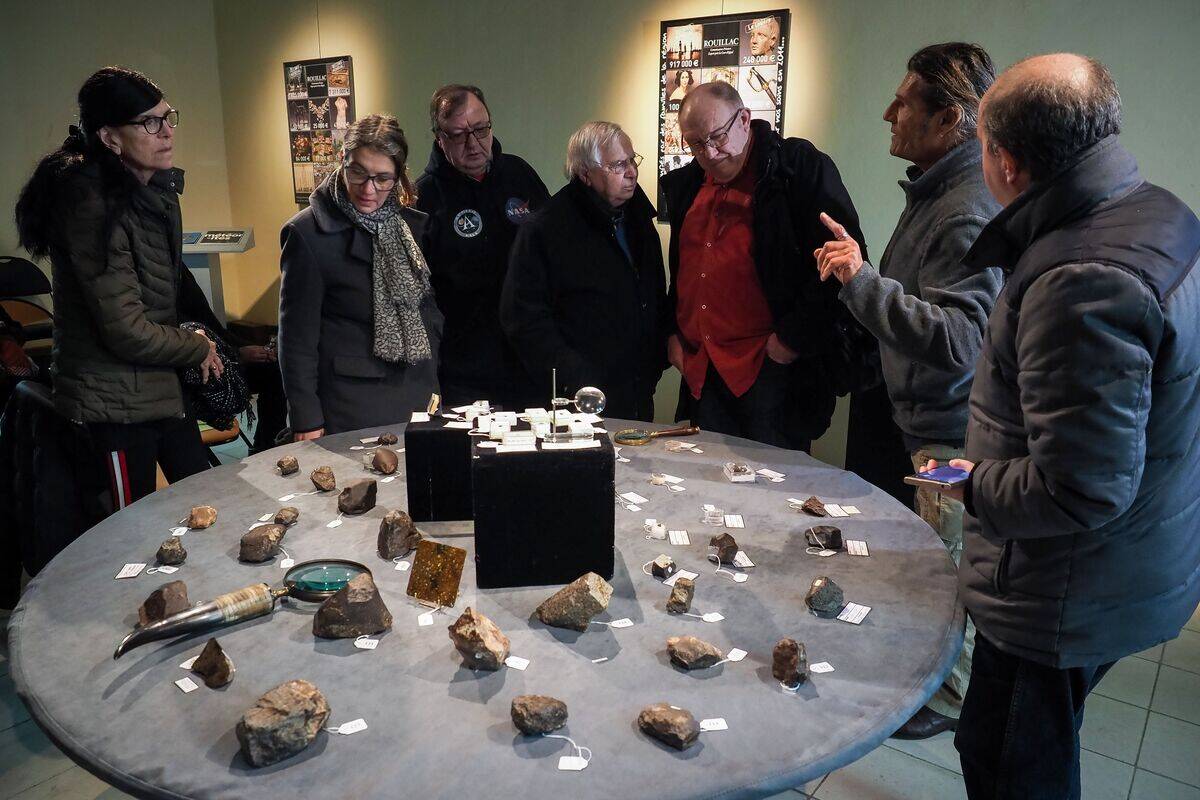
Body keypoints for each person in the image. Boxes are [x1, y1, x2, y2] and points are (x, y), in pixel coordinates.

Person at [926, 54, 1200, 799]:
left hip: (1060, 592)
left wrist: (961, 478)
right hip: (1130, 561)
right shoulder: (1159, 213)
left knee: (1011, 763)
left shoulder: (1080, 281)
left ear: (1006, 161)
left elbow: (1078, 487)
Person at [814, 42, 1002, 739]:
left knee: (947, 559)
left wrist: (859, 280)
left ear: (950, 117)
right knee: (937, 553)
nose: (888, 113)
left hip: (952, 432)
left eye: (904, 102)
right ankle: (943, 684)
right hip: (931, 422)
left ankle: (948, 698)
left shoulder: (962, 209)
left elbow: (960, 340)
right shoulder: (940, 189)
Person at [14, 67, 222, 509]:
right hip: (113, 402)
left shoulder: (153, 190)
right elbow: (125, 329)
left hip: (156, 388)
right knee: (132, 532)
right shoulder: (89, 203)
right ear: (110, 138)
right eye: (150, 122)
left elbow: (168, 291)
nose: (166, 132)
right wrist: (196, 345)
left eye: (169, 118)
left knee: (205, 505)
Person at [662, 81, 866, 451]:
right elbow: (683, 270)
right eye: (694, 143)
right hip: (702, 369)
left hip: (770, 368)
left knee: (775, 488)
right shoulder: (688, 184)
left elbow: (843, 263)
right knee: (705, 486)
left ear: (744, 119)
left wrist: (790, 341)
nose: (708, 153)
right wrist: (672, 333)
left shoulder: (796, 168)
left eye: (717, 136)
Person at [279, 114, 442, 437]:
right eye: (358, 173)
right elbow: (296, 339)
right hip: (350, 404)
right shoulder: (308, 233)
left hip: (416, 392)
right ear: (343, 161)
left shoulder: (407, 226)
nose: (369, 189)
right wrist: (306, 418)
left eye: (383, 178)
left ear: (398, 176)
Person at [501, 121, 666, 420]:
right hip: (578, 398)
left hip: (638, 389)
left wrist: (656, 359)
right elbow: (523, 317)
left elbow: (653, 293)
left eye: (632, 160)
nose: (631, 172)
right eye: (618, 165)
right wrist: (572, 375)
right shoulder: (546, 229)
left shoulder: (639, 218)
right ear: (585, 174)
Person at [414, 85, 549, 411]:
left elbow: (554, 250)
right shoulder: (424, 197)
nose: (473, 144)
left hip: (528, 360)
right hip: (463, 369)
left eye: (480, 129)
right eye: (459, 135)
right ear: (439, 137)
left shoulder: (519, 175)